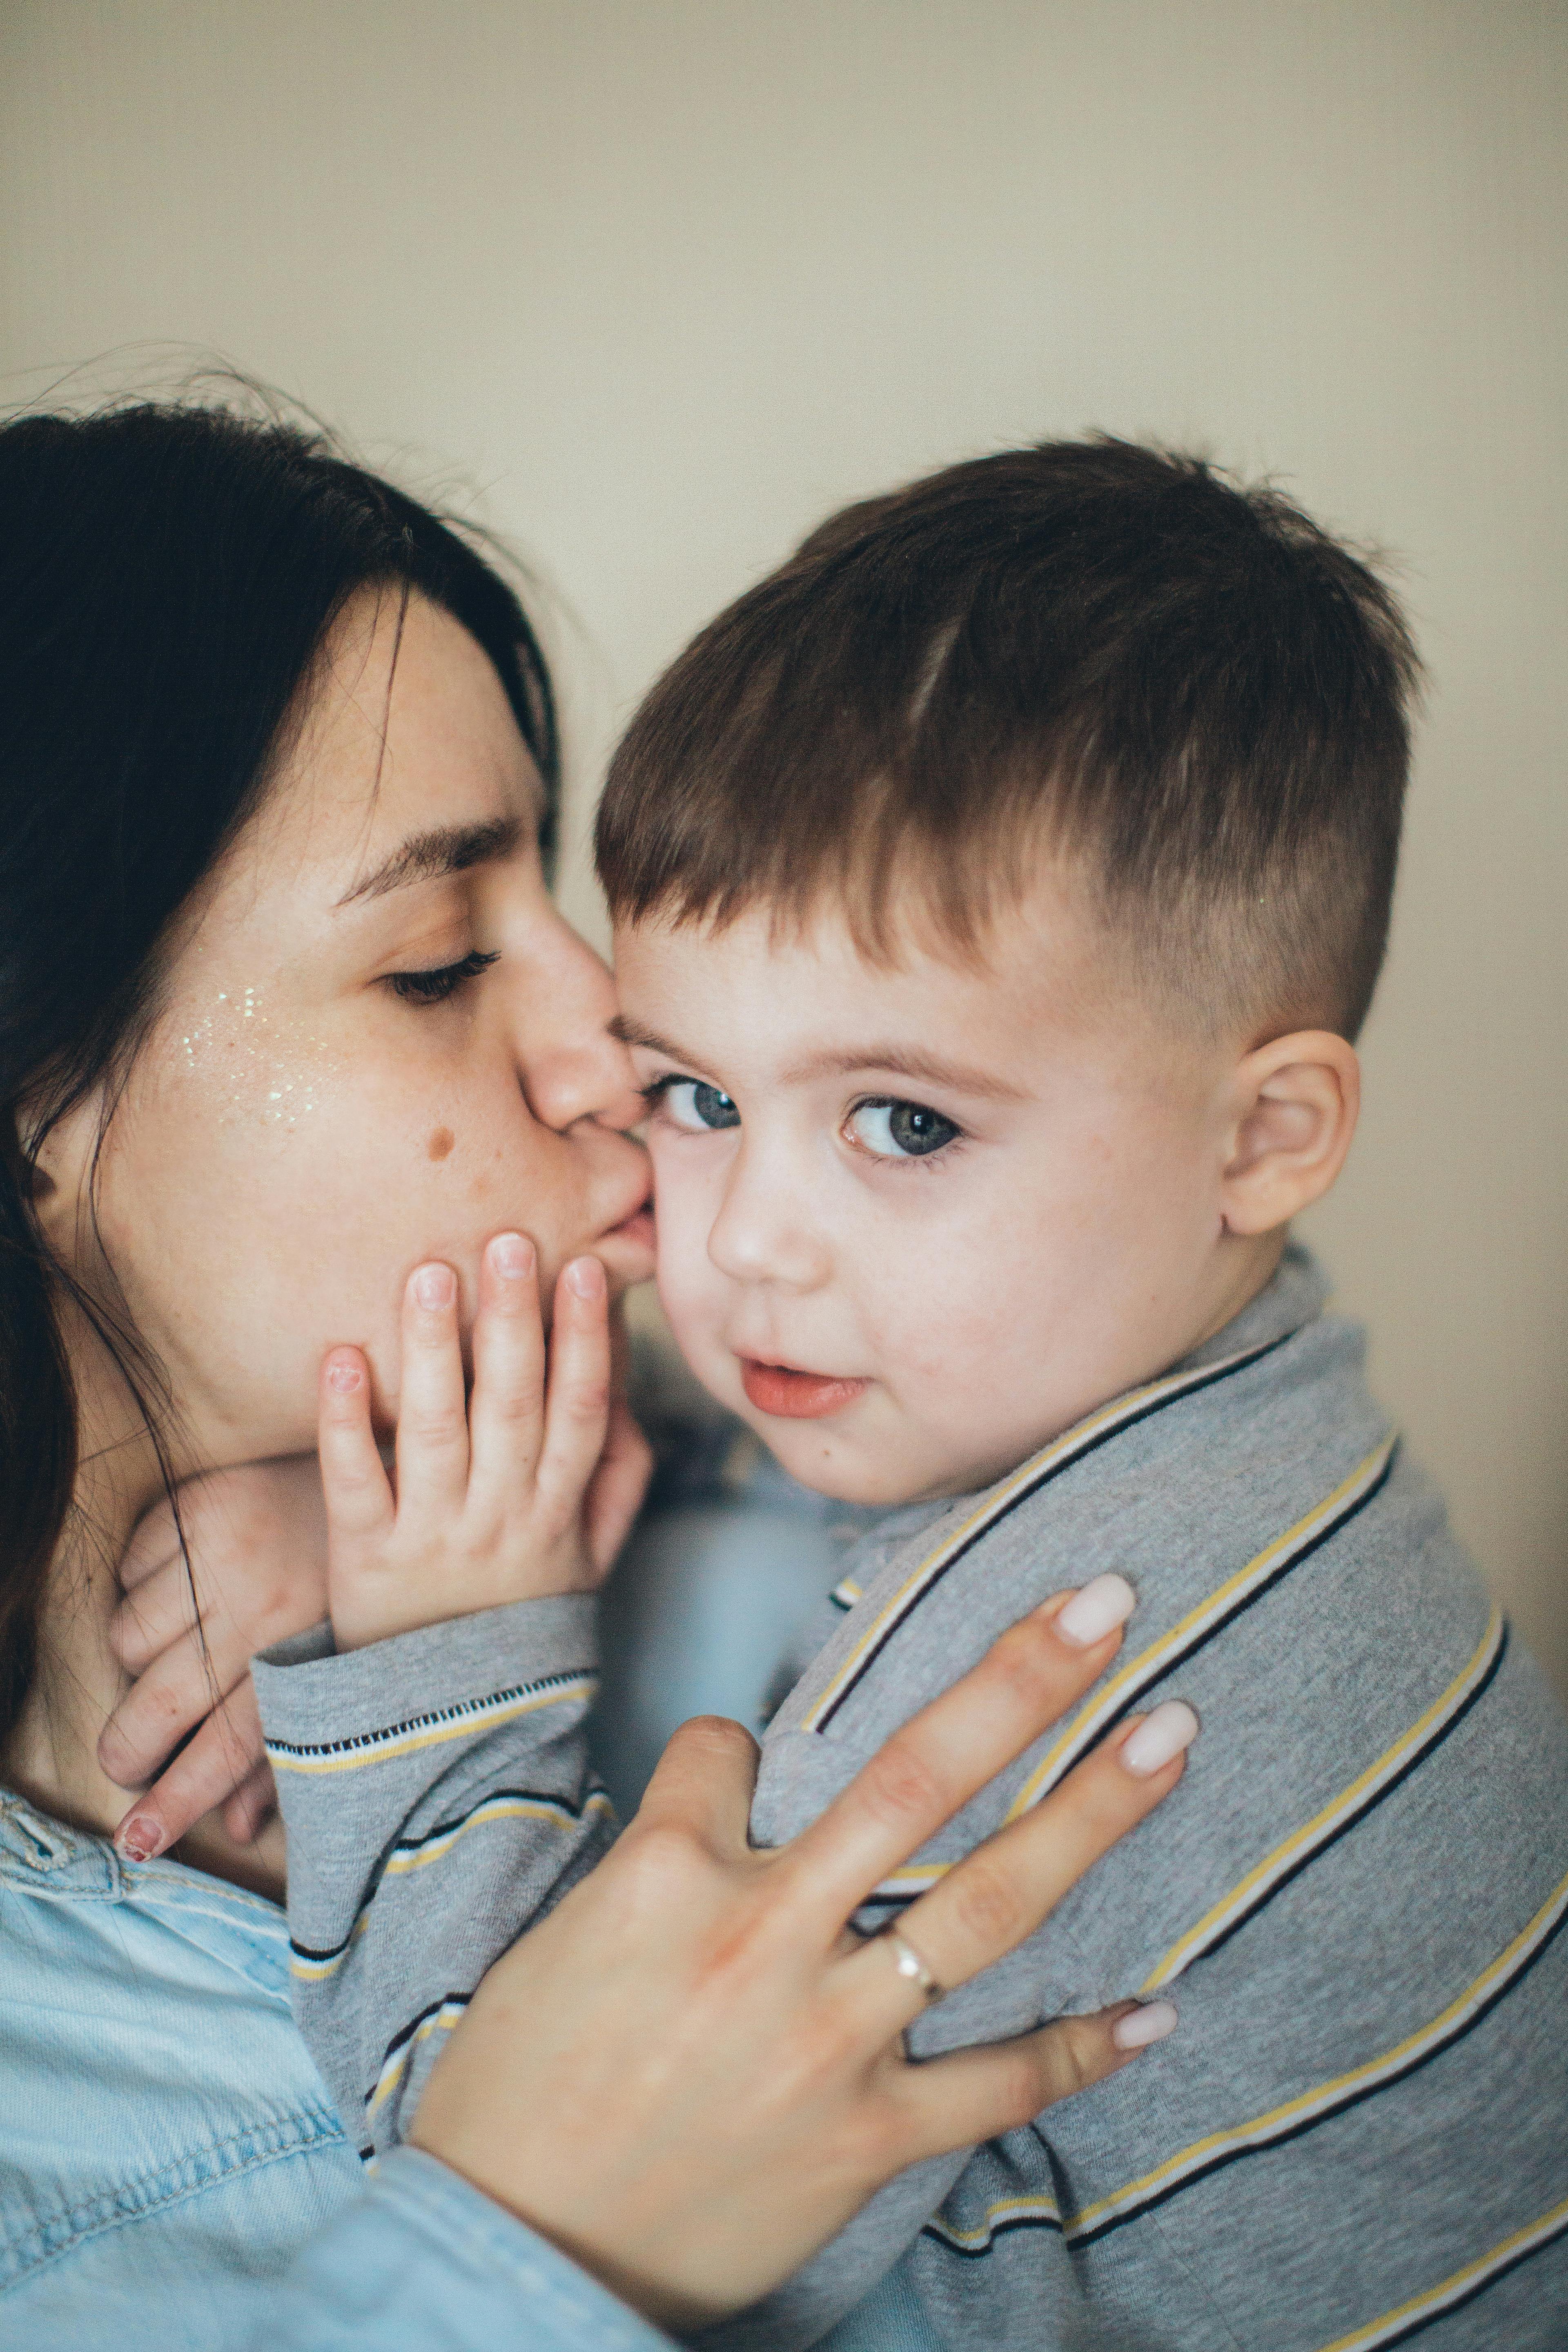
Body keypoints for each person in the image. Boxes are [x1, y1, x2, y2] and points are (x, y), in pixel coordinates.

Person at [232, 439, 1568, 2349]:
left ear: (1266, 1133)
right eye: (695, 1095)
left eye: (904, 1121)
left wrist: (437, 1635)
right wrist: (321, 1481)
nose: (748, 1246)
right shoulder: (1244, 1427)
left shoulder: (1050, 1659)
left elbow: (496, 2170)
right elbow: (797, 1446)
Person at [0, 399, 1192, 2352]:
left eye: (552, 897)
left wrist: (379, 1561)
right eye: (439, 963)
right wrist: (530, 2242)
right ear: (34, 1101)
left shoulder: (758, 1513)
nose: (621, 1032)